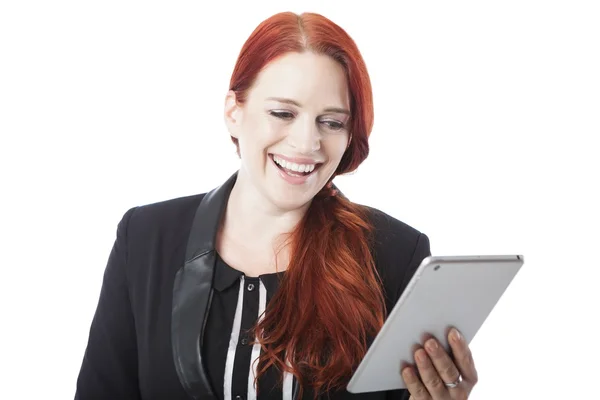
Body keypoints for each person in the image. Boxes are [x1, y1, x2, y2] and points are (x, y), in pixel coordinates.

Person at [75, 11, 479, 400]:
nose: (307, 144)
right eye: (283, 113)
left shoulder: (394, 254)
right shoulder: (146, 238)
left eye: (332, 122)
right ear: (234, 112)